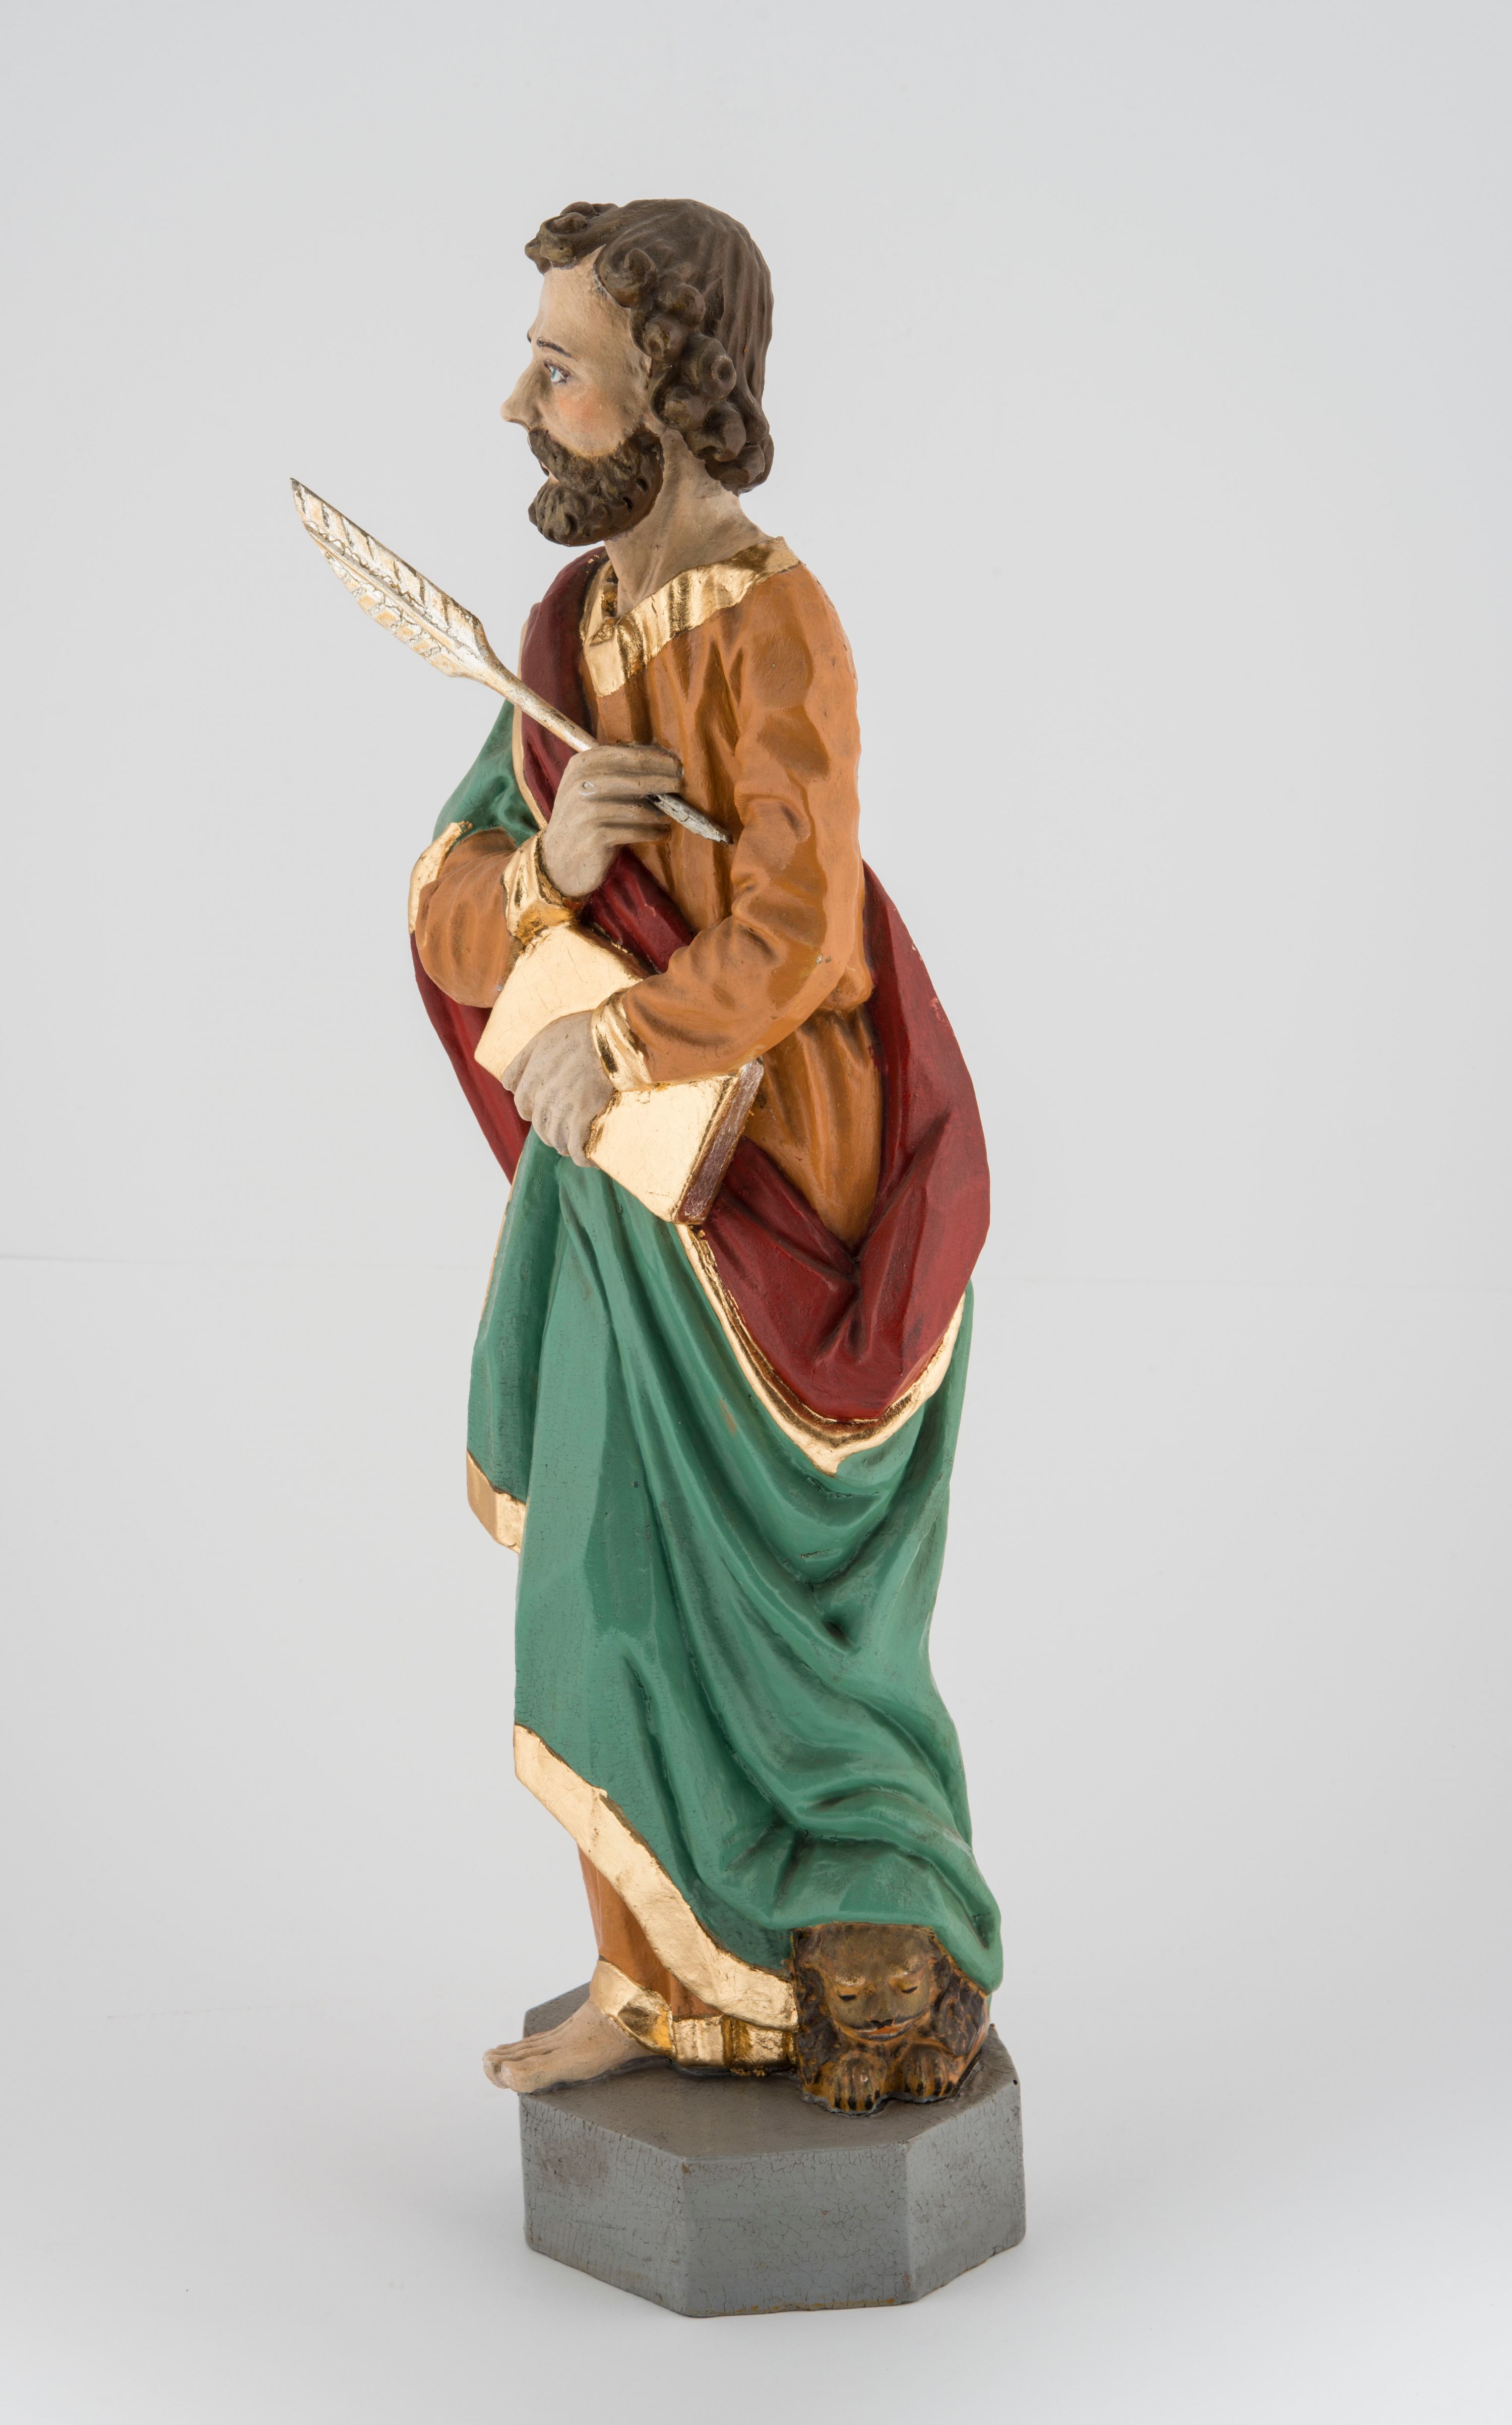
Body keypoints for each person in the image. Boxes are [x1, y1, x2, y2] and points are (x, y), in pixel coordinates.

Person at [409, 199, 1000, 2108]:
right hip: (623, 1188)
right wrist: (552, 863)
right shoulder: (568, 636)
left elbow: (803, 934)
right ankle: (655, 1980)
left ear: (669, 387)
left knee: (779, 1615)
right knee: (602, 1572)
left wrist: (618, 1040)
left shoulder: (777, 620)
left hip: (773, 1180)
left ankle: (860, 1919)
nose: (521, 403)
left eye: (560, 369)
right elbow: (442, 905)